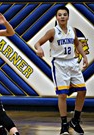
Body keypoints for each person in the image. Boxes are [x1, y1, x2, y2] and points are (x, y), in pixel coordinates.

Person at [34, 6, 88, 135]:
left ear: (68, 17)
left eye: (65, 14)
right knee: (62, 95)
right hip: (59, 64)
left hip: (73, 63)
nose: (62, 16)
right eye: (60, 15)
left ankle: (75, 120)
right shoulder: (52, 31)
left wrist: (84, 56)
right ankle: (64, 125)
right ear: (56, 17)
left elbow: (77, 43)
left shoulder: (72, 30)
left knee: (82, 91)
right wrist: (39, 49)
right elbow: (37, 43)